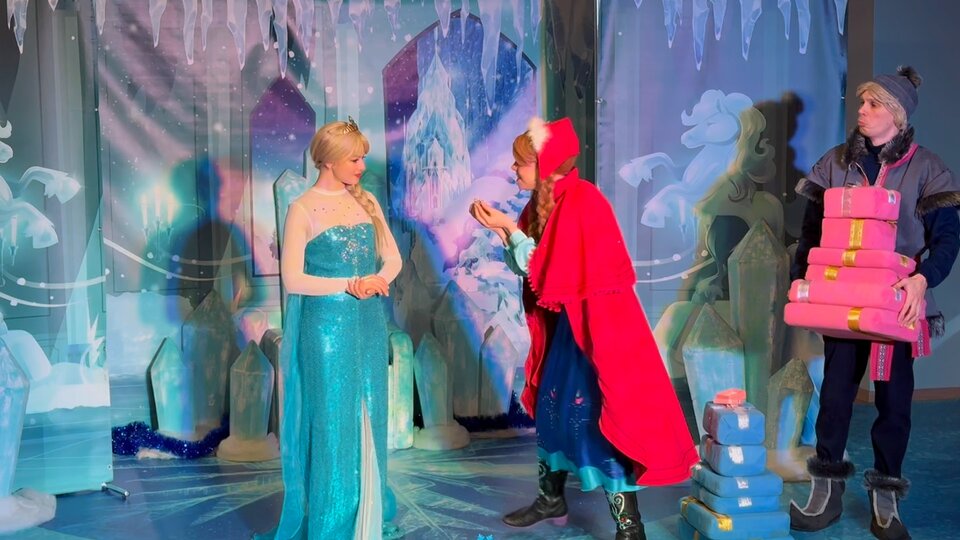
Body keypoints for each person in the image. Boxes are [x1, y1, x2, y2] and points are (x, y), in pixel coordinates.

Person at [469, 117, 698, 540]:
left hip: (596, 333)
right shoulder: (539, 205)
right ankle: (550, 498)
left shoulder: (583, 201)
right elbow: (533, 273)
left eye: (521, 162)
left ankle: (629, 525)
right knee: (552, 410)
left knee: (597, 417)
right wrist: (506, 230)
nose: (514, 169)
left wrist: (510, 230)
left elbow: (554, 271)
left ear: (544, 165)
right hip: (565, 332)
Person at [789, 67, 960, 540]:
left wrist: (923, 280)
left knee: (893, 403)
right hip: (843, 301)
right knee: (835, 397)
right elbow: (809, 233)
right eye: (862, 102)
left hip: (895, 305)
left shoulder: (927, 168)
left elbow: (947, 241)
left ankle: (886, 497)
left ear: (897, 115)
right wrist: (803, 280)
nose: (861, 111)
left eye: (873, 104)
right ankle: (826, 490)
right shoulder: (835, 164)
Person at [258, 118, 403, 539]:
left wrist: (377, 281)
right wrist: (349, 284)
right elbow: (293, 280)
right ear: (329, 160)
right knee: (332, 424)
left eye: (362, 158)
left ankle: (366, 521)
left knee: (370, 416)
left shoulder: (367, 201)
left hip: (368, 323)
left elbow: (392, 258)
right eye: (354, 159)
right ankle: (331, 525)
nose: (362, 166)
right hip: (324, 331)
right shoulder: (302, 209)